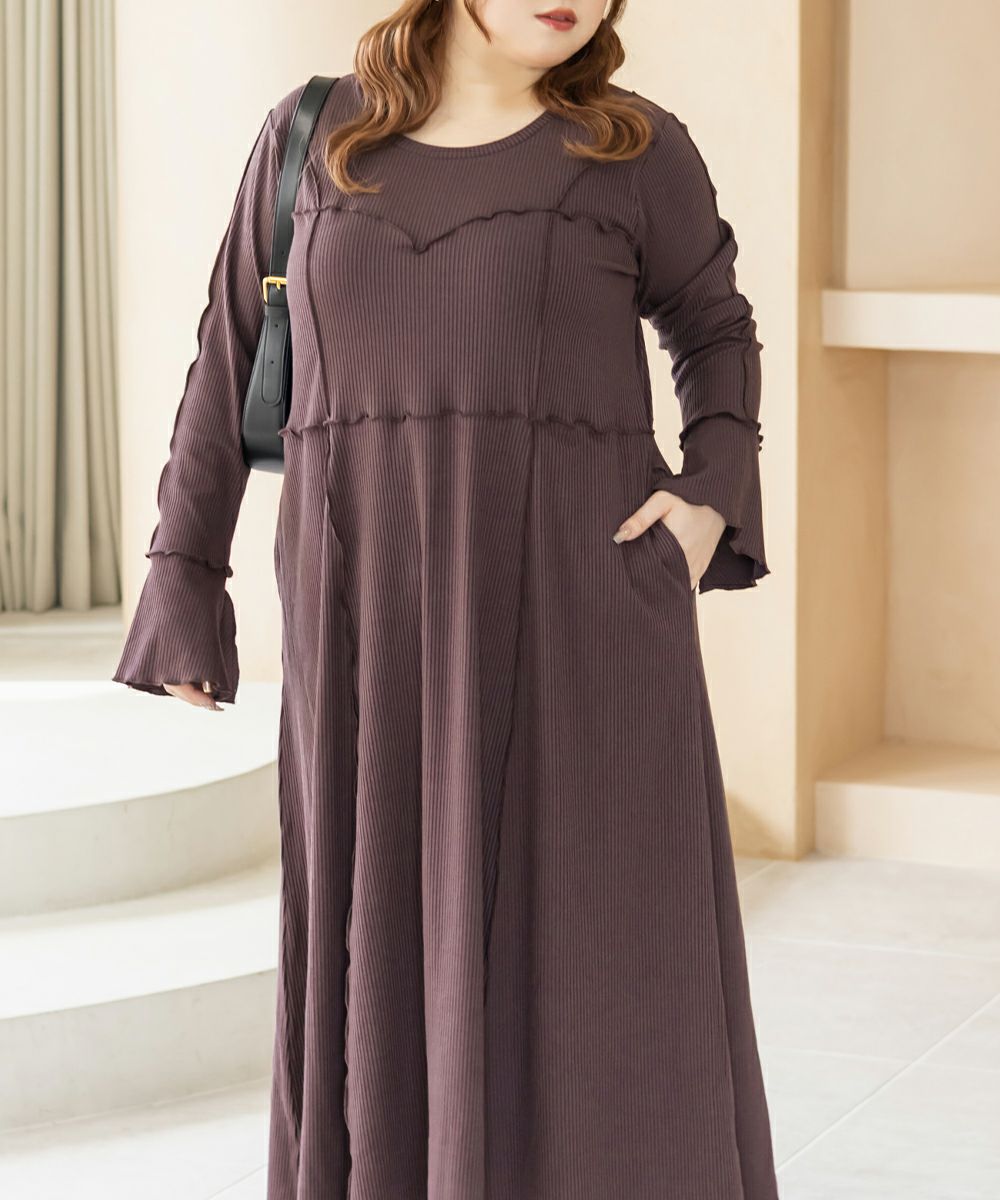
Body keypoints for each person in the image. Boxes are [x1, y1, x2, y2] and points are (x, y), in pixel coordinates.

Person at [112, 1, 777, 1197]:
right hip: (366, 616)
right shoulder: (310, 135)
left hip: (578, 613)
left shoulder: (634, 148)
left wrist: (708, 496)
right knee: (375, 946)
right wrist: (184, 573)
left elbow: (715, 329)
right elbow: (229, 352)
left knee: (594, 961)